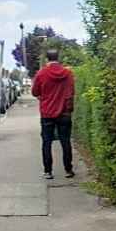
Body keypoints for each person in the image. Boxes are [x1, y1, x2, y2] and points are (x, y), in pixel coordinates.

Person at [31, 48, 77, 181]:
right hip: (64, 113)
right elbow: (72, 91)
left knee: (46, 142)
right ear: (58, 58)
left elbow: (35, 92)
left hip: (47, 113)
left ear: (47, 59)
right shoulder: (68, 73)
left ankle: (48, 171)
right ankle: (68, 170)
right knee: (65, 141)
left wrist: (43, 96)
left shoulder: (41, 73)